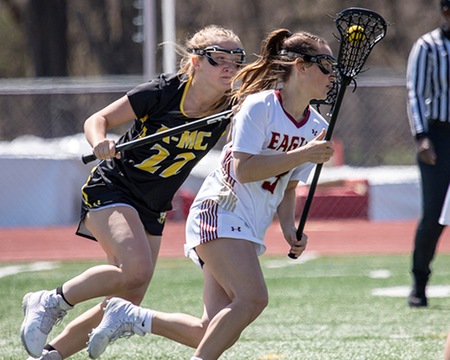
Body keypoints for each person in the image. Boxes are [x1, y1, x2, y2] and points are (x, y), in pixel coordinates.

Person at [85, 28, 336, 360]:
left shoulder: (316, 125)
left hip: (250, 223)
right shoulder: (259, 106)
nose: (333, 76)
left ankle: (130, 317)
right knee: (253, 298)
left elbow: (289, 183)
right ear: (300, 67)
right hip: (220, 210)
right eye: (326, 66)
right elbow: (244, 169)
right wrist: (303, 154)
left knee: (212, 328)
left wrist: (288, 227)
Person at [20, 25, 246, 360]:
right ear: (196, 62)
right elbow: (98, 119)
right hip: (114, 187)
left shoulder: (232, 105)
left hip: (152, 205)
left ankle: (51, 356)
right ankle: (52, 300)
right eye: (218, 59)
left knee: (129, 298)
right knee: (135, 269)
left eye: (236, 60)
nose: (229, 67)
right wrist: (100, 142)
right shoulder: (164, 91)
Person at [405, 0, 450, 308]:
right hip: (439, 136)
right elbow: (415, 92)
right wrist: (422, 137)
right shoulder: (428, 45)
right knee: (433, 216)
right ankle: (419, 282)